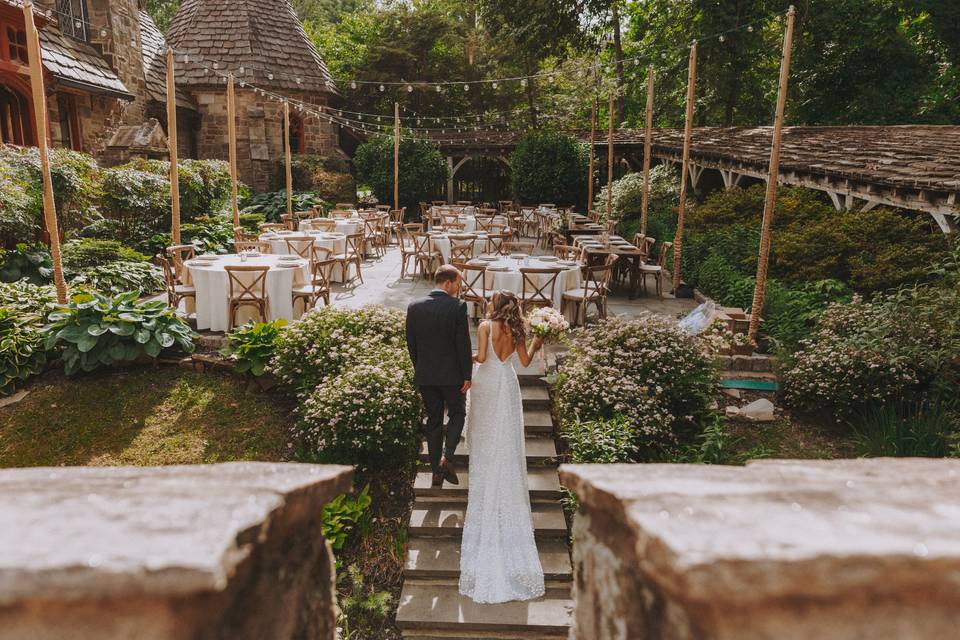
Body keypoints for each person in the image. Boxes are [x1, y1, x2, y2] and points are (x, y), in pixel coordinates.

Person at [459, 290, 545, 604]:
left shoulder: (484, 326)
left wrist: (462, 359)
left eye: (491, 299)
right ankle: (502, 474)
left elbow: (481, 358)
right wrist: (539, 340)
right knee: (505, 436)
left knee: (484, 436)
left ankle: (485, 475)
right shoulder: (518, 330)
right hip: (507, 383)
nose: (488, 302)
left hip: (486, 382)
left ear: (497, 305)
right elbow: (523, 362)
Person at [405, 264, 472, 487]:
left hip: (426, 375)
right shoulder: (458, 307)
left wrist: (420, 368)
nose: (459, 288)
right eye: (458, 284)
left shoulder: (414, 307)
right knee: (458, 413)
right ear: (447, 283)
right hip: (452, 376)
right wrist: (467, 375)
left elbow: (411, 345)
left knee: (433, 421)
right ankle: (447, 457)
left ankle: (436, 470)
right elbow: (462, 344)